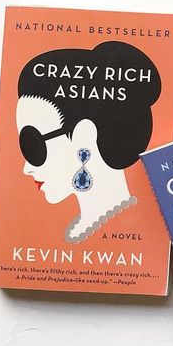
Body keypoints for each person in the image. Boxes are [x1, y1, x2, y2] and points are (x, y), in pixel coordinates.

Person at [16, 41, 161, 242]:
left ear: (83, 136)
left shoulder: (143, 231)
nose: (26, 168)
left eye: (33, 146)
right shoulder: (80, 226)